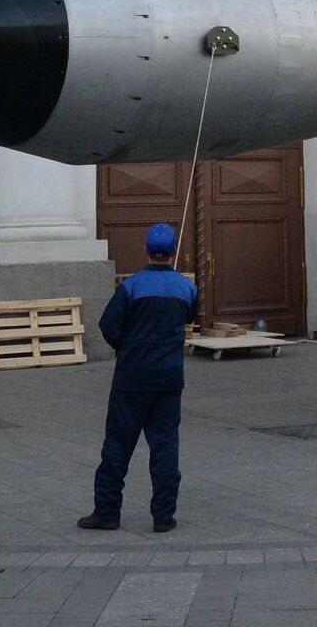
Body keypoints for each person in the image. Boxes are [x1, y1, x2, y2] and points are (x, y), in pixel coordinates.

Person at [81, 222, 198, 534]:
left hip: (131, 378)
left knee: (118, 444)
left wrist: (127, 347)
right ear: (174, 253)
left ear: (145, 250)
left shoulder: (131, 287)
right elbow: (190, 316)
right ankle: (163, 516)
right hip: (169, 378)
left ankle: (107, 512)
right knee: (165, 445)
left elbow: (108, 325)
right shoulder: (186, 287)